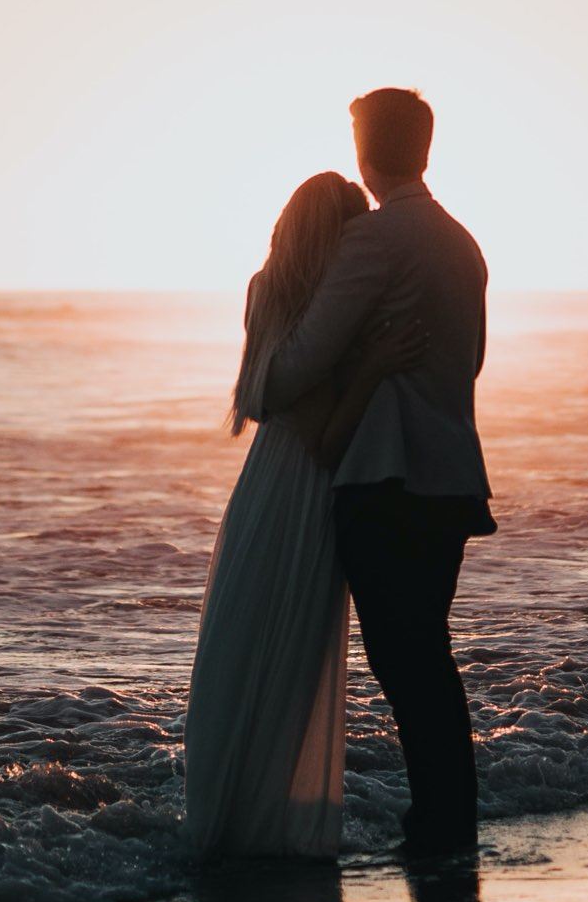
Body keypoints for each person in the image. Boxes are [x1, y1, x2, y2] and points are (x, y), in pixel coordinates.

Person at [263, 88, 494, 857]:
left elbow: (301, 364)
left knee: (407, 664)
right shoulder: (463, 244)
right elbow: (476, 362)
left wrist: (273, 370)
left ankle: (438, 829)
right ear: (424, 149)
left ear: (365, 150)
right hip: (453, 478)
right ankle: (445, 821)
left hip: (386, 482)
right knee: (427, 656)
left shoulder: (377, 240)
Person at [182, 171, 425, 858]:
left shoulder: (270, 291)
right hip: (309, 489)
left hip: (265, 484)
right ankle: (260, 825)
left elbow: (267, 405)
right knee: (288, 656)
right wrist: (374, 365)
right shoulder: (327, 314)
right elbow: (323, 432)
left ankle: (226, 817)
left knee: (241, 649)